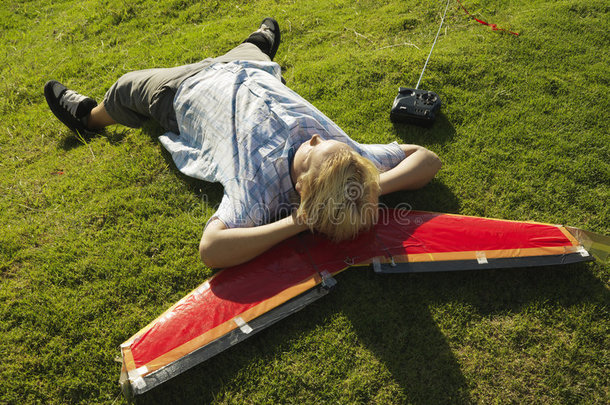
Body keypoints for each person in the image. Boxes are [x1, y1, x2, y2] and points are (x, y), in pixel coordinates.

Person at [44, 18, 442, 268]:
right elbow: (427, 159)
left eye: (312, 150)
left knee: (127, 85)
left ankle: (89, 117)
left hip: (183, 90)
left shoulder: (260, 190)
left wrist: (298, 222)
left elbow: (212, 250)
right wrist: (372, 187)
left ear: (301, 190)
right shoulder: (350, 162)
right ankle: (257, 44)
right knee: (255, 48)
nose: (318, 137)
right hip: (253, 69)